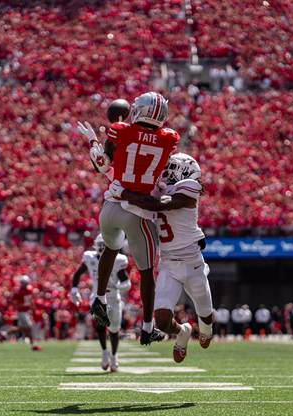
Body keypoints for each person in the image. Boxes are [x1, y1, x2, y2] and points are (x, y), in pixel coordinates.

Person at [78, 92, 179, 345]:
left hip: (110, 208)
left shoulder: (120, 130)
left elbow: (102, 165)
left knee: (110, 249)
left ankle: (98, 298)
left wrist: (93, 142)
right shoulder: (168, 139)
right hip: (138, 213)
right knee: (146, 273)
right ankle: (147, 328)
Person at [112, 153, 214, 362]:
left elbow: (162, 204)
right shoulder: (158, 188)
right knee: (162, 319)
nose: (165, 171)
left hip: (193, 263)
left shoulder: (189, 187)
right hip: (168, 263)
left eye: (171, 167)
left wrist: (125, 194)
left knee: (205, 315)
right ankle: (183, 332)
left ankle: (206, 329)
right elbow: (147, 201)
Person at [71, 235, 131, 372]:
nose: (103, 247)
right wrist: (74, 289)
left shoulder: (118, 260)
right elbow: (77, 273)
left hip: (113, 297)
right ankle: (104, 352)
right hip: (97, 296)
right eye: (101, 244)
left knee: (114, 329)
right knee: (100, 324)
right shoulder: (90, 257)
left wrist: (118, 287)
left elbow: (126, 281)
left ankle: (114, 355)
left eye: (105, 244)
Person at [4, 275, 42, 351]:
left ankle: (4, 334)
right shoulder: (18, 291)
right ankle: (33, 345)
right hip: (22, 311)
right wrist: (22, 304)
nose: (24, 284)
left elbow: (31, 299)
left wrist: (31, 307)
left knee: (24, 329)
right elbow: (14, 302)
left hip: (26, 311)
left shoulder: (29, 289)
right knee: (29, 327)